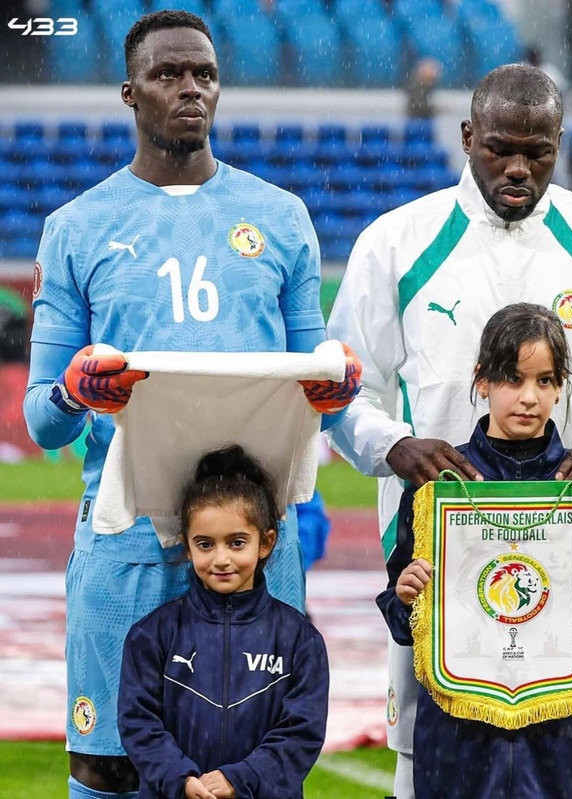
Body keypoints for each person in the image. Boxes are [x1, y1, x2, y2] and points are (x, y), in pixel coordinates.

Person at [22, 10, 359, 798]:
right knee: (111, 767)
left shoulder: (279, 218)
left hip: (251, 547)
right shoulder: (75, 227)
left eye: (203, 74)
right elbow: (44, 420)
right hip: (128, 544)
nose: (190, 88)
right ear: (129, 91)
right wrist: (77, 387)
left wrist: (337, 385)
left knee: (258, 765)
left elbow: (324, 385)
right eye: (170, 74)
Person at [326, 62, 572, 799]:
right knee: (428, 760)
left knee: (566, 754)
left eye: (538, 151)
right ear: (465, 137)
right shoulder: (395, 243)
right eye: (497, 148)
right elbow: (336, 390)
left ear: (560, 142)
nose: (517, 167)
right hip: (436, 563)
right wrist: (392, 445)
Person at [376, 303, 572, 798]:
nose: (530, 397)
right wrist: (405, 596)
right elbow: (404, 624)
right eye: (513, 378)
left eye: (545, 381)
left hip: (564, 734)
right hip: (461, 733)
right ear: (481, 380)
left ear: (560, 386)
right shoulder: (438, 486)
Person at [118, 444, 329, 799]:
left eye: (236, 543)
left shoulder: (299, 639)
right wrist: (180, 779)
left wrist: (243, 778)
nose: (221, 559)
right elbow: (138, 724)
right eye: (205, 544)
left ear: (266, 543)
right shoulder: (153, 634)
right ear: (186, 547)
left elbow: (302, 732)